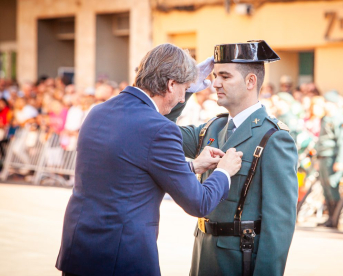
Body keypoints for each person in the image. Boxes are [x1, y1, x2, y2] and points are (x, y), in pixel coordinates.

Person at [56, 44, 243, 276]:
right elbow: (198, 203)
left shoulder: (98, 111)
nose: (183, 98)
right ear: (171, 84)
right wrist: (223, 172)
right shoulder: (160, 129)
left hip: (80, 249)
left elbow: (126, 171)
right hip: (121, 258)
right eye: (184, 89)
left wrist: (192, 166)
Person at [167, 40, 298, 276]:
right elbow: (159, 131)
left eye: (225, 76)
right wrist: (186, 89)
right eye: (215, 76)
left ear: (250, 81)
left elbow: (278, 226)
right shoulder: (212, 129)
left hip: (238, 260)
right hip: (202, 255)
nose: (215, 83)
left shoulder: (273, 137)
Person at [316, 90, 343, 227]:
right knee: (326, 187)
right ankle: (330, 217)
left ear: (333, 104)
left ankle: (336, 218)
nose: (324, 105)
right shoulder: (326, 118)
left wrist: (340, 161)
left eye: (327, 102)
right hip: (323, 157)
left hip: (332, 157)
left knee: (332, 186)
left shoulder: (339, 120)